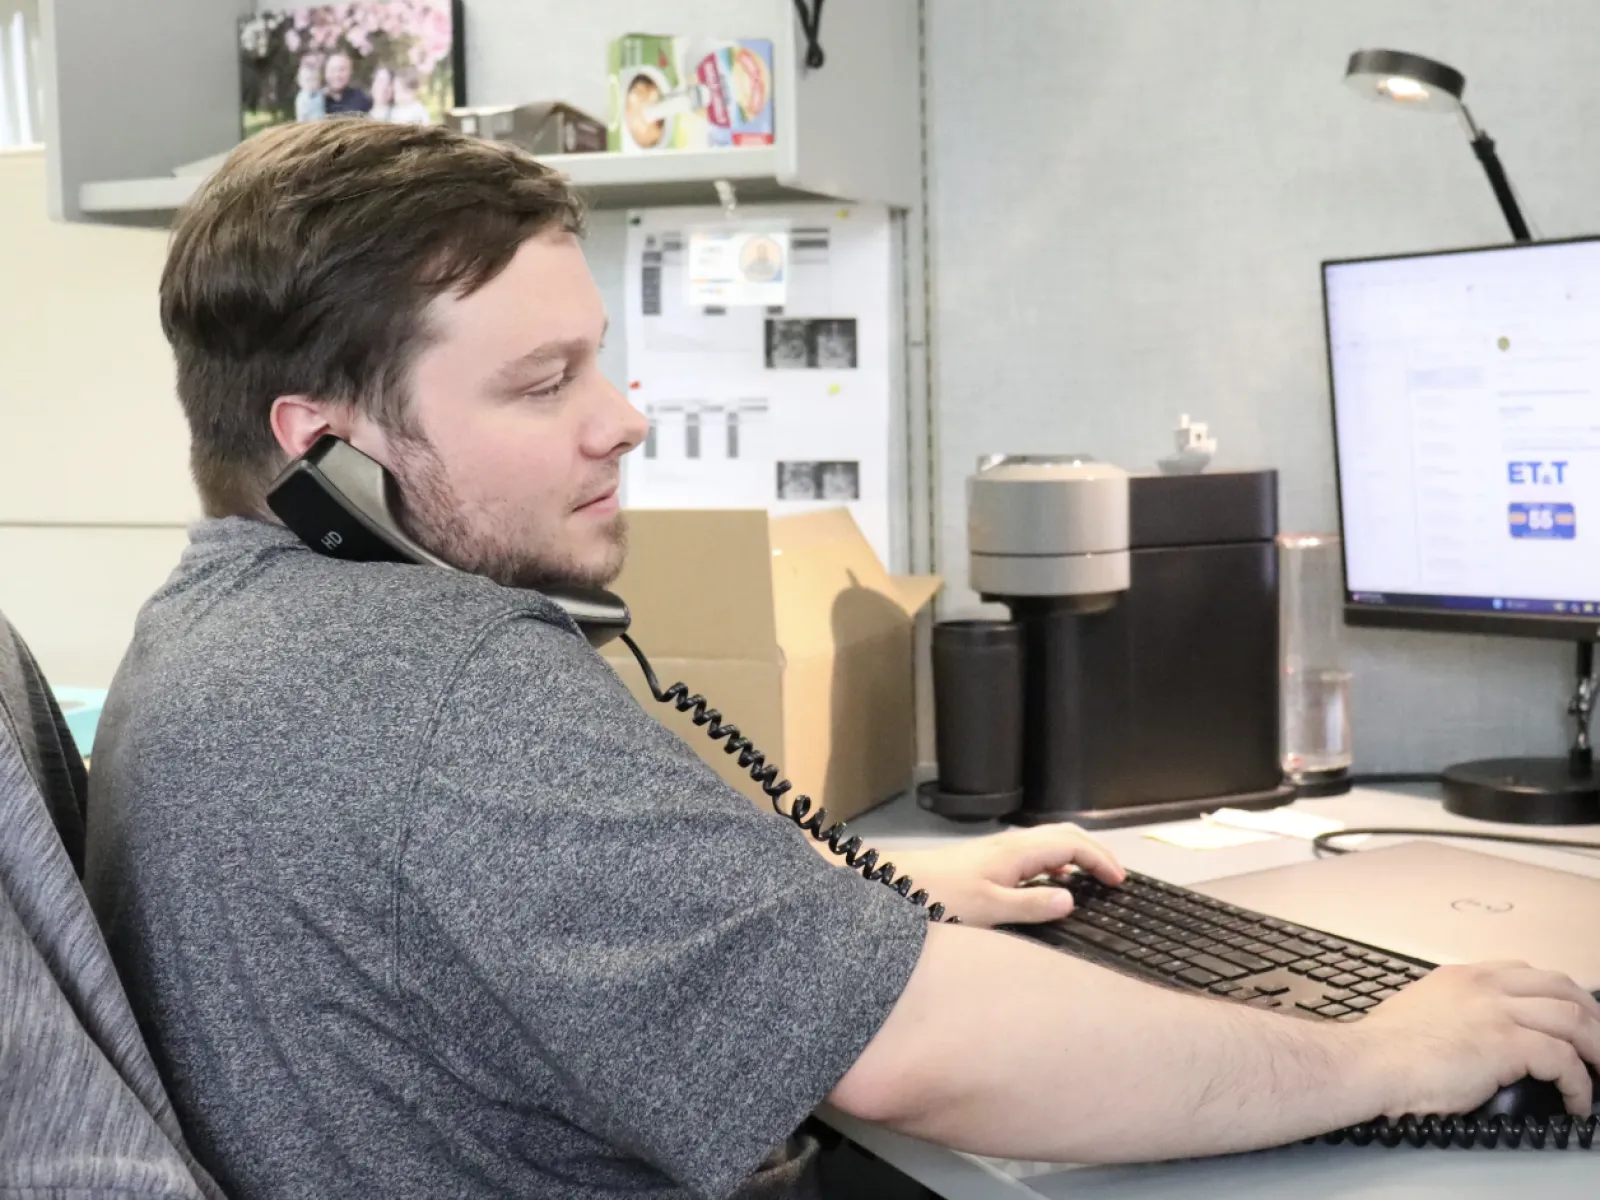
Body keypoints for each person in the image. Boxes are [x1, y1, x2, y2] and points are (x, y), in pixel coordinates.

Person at [86, 120, 1600, 1200]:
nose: (620, 419)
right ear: (324, 447)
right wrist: (1380, 1054)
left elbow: (485, 913)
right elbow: (924, 1059)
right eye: (543, 384)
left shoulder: (214, 621)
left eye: (597, 357)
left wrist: (817, 905)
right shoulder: (442, 684)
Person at [321, 51, 371, 116]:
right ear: (325, 72)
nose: (337, 75)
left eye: (342, 69)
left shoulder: (361, 100)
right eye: (332, 69)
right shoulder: (318, 100)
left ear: (350, 72)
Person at [293, 53, 324, 123]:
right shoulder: (302, 98)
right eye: (307, 80)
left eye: (314, 79)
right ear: (300, 82)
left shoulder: (319, 93)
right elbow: (301, 117)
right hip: (309, 125)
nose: (311, 84)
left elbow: (324, 92)